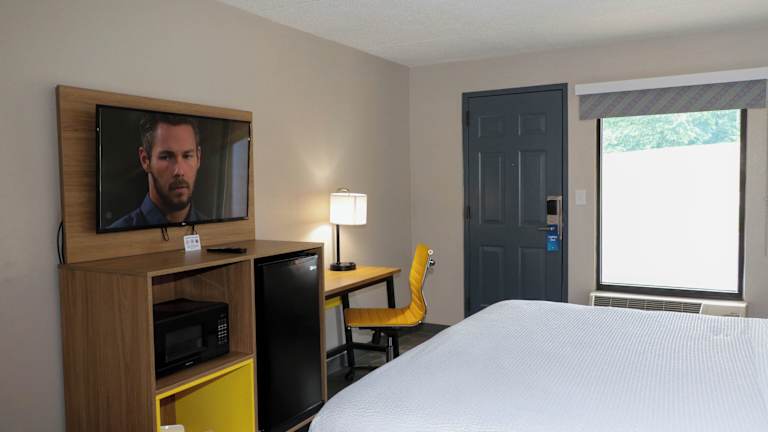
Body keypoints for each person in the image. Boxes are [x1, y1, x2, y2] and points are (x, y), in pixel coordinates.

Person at [109, 113, 205, 229]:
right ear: (145, 160)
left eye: (187, 156)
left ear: (198, 158)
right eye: (166, 157)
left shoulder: (214, 229)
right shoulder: (117, 234)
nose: (179, 171)